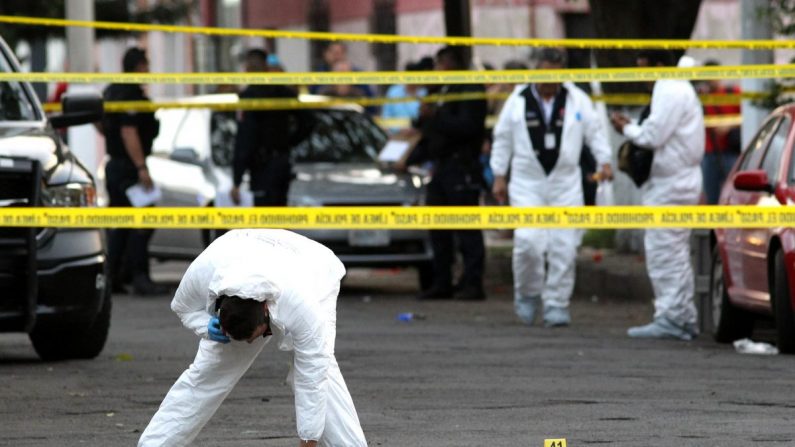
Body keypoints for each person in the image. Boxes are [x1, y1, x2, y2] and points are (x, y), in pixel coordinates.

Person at [138, 229, 367, 447]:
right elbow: (182, 307)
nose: (248, 344)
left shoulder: (303, 306)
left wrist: (308, 441)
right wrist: (206, 327)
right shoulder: (205, 271)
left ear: (267, 311)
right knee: (207, 373)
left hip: (315, 266)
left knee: (319, 370)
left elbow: (313, 377)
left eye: (253, 337)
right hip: (238, 247)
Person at [490, 48, 613, 327]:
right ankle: (528, 294)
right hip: (526, 182)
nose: (548, 82)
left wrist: (604, 161)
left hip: (565, 183)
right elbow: (502, 138)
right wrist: (499, 175)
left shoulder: (576, 99)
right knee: (528, 243)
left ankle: (557, 303)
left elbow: (594, 131)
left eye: (554, 74)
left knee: (564, 246)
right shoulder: (518, 99)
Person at [609, 50, 704, 340]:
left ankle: (674, 318)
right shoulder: (676, 86)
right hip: (673, 182)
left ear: (657, 64)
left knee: (665, 253)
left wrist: (627, 128)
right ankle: (680, 316)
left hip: (671, 186)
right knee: (672, 251)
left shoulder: (669, 86)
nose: (640, 73)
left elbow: (652, 136)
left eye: (642, 65)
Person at [401, 46, 488, 301]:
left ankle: (473, 283)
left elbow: (468, 127)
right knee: (438, 228)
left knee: (466, 229)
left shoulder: (469, 88)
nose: (435, 71)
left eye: (439, 66)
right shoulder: (440, 91)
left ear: (450, 64)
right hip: (440, 168)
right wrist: (408, 158)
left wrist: (436, 114)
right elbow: (429, 134)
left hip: (461, 168)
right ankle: (442, 281)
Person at [101, 47, 164, 296]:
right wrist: (140, 167)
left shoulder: (112, 91)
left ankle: (112, 277)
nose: (148, 71)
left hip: (114, 165)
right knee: (143, 219)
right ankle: (140, 277)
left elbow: (101, 123)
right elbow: (129, 132)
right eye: (146, 65)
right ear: (138, 66)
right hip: (128, 168)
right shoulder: (130, 95)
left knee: (121, 224)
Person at [232, 49, 311, 207]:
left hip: (262, 168)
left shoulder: (249, 96)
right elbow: (308, 121)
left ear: (247, 70)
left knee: (265, 223)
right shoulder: (282, 92)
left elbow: (245, 139)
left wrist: (237, 180)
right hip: (282, 164)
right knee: (279, 220)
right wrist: (289, 143)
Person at [698, 60, 742, 204]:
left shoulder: (733, 93)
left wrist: (728, 126)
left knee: (735, 195)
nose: (712, 80)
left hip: (731, 152)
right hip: (709, 154)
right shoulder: (701, 98)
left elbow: (749, 117)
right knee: (712, 198)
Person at [381, 60, 428, 134]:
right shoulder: (394, 91)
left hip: (417, 137)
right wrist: (399, 129)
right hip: (395, 136)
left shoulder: (424, 93)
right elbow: (386, 116)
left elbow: (425, 119)